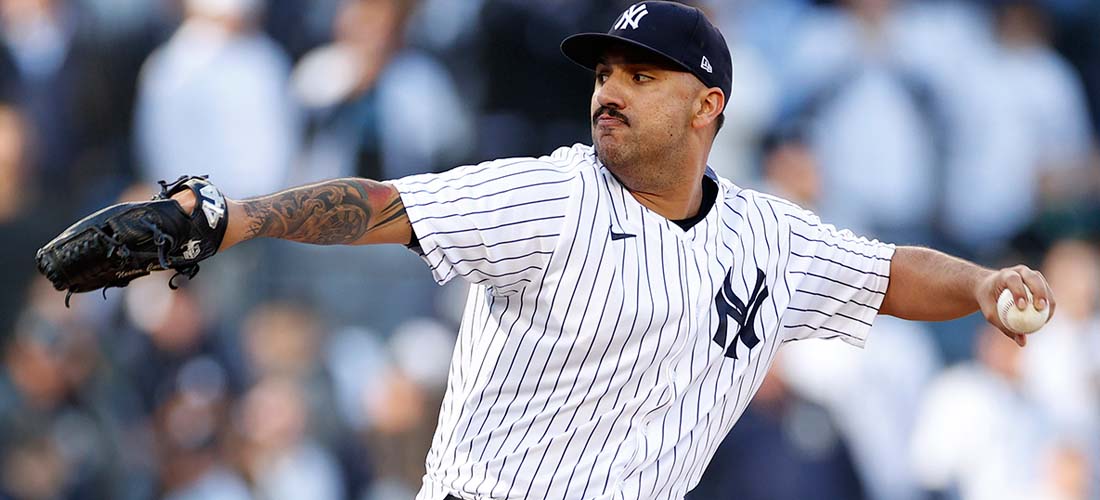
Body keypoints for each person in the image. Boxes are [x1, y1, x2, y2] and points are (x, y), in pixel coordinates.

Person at [125, 2, 1058, 499]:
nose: (609, 91)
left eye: (640, 76)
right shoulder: (554, 195)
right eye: (605, 73)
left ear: (708, 107)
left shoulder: (769, 238)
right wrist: (230, 219)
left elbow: (889, 273)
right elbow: (383, 206)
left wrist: (982, 284)